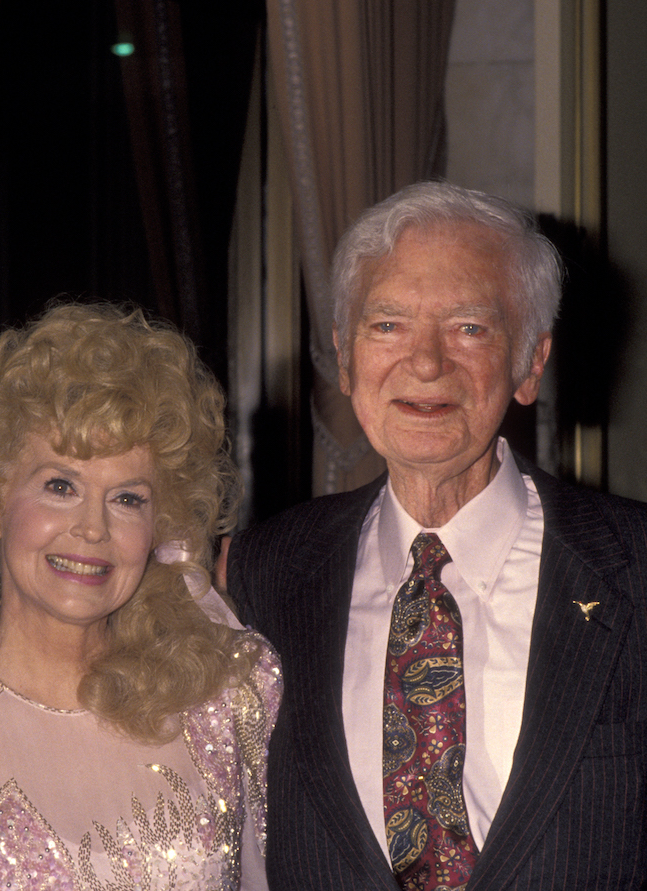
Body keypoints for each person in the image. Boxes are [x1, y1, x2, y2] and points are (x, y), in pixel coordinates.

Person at [228, 180, 647, 890]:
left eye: (469, 327)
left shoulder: (634, 569)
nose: (425, 363)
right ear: (346, 357)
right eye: (387, 324)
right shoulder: (263, 574)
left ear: (530, 364)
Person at [0, 303, 282, 890]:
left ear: (162, 524)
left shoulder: (227, 697)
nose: (93, 528)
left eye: (128, 498)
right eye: (60, 486)